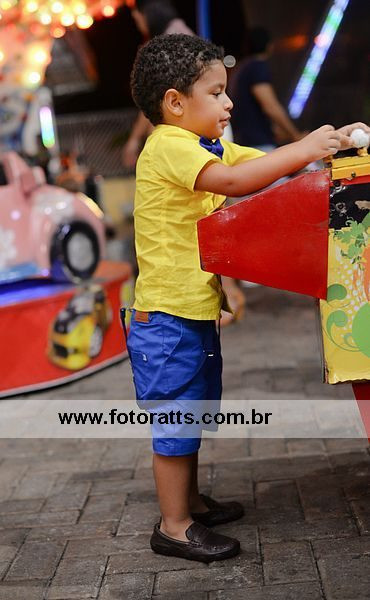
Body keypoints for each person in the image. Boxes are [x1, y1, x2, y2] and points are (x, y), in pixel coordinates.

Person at [126, 33, 367, 563]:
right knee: (176, 417)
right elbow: (236, 181)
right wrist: (304, 149)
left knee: (193, 407)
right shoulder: (169, 146)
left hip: (190, 310)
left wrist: (326, 144)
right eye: (216, 93)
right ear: (175, 103)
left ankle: (189, 503)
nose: (228, 103)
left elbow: (263, 164)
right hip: (165, 317)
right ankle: (173, 526)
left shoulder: (204, 146)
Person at [122, 0, 193, 169]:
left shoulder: (168, 43)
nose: (139, 25)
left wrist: (134, 139)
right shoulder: (179, 31)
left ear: (148, 15)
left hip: (188, 131)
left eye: (138, 19)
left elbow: (154, 96)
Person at [230, 27, 306, 151]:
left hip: (243, 142)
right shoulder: (257, 66)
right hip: (258, 143)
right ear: (269, 46)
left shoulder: (241, 68)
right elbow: (270, 106)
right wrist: (295, 135)